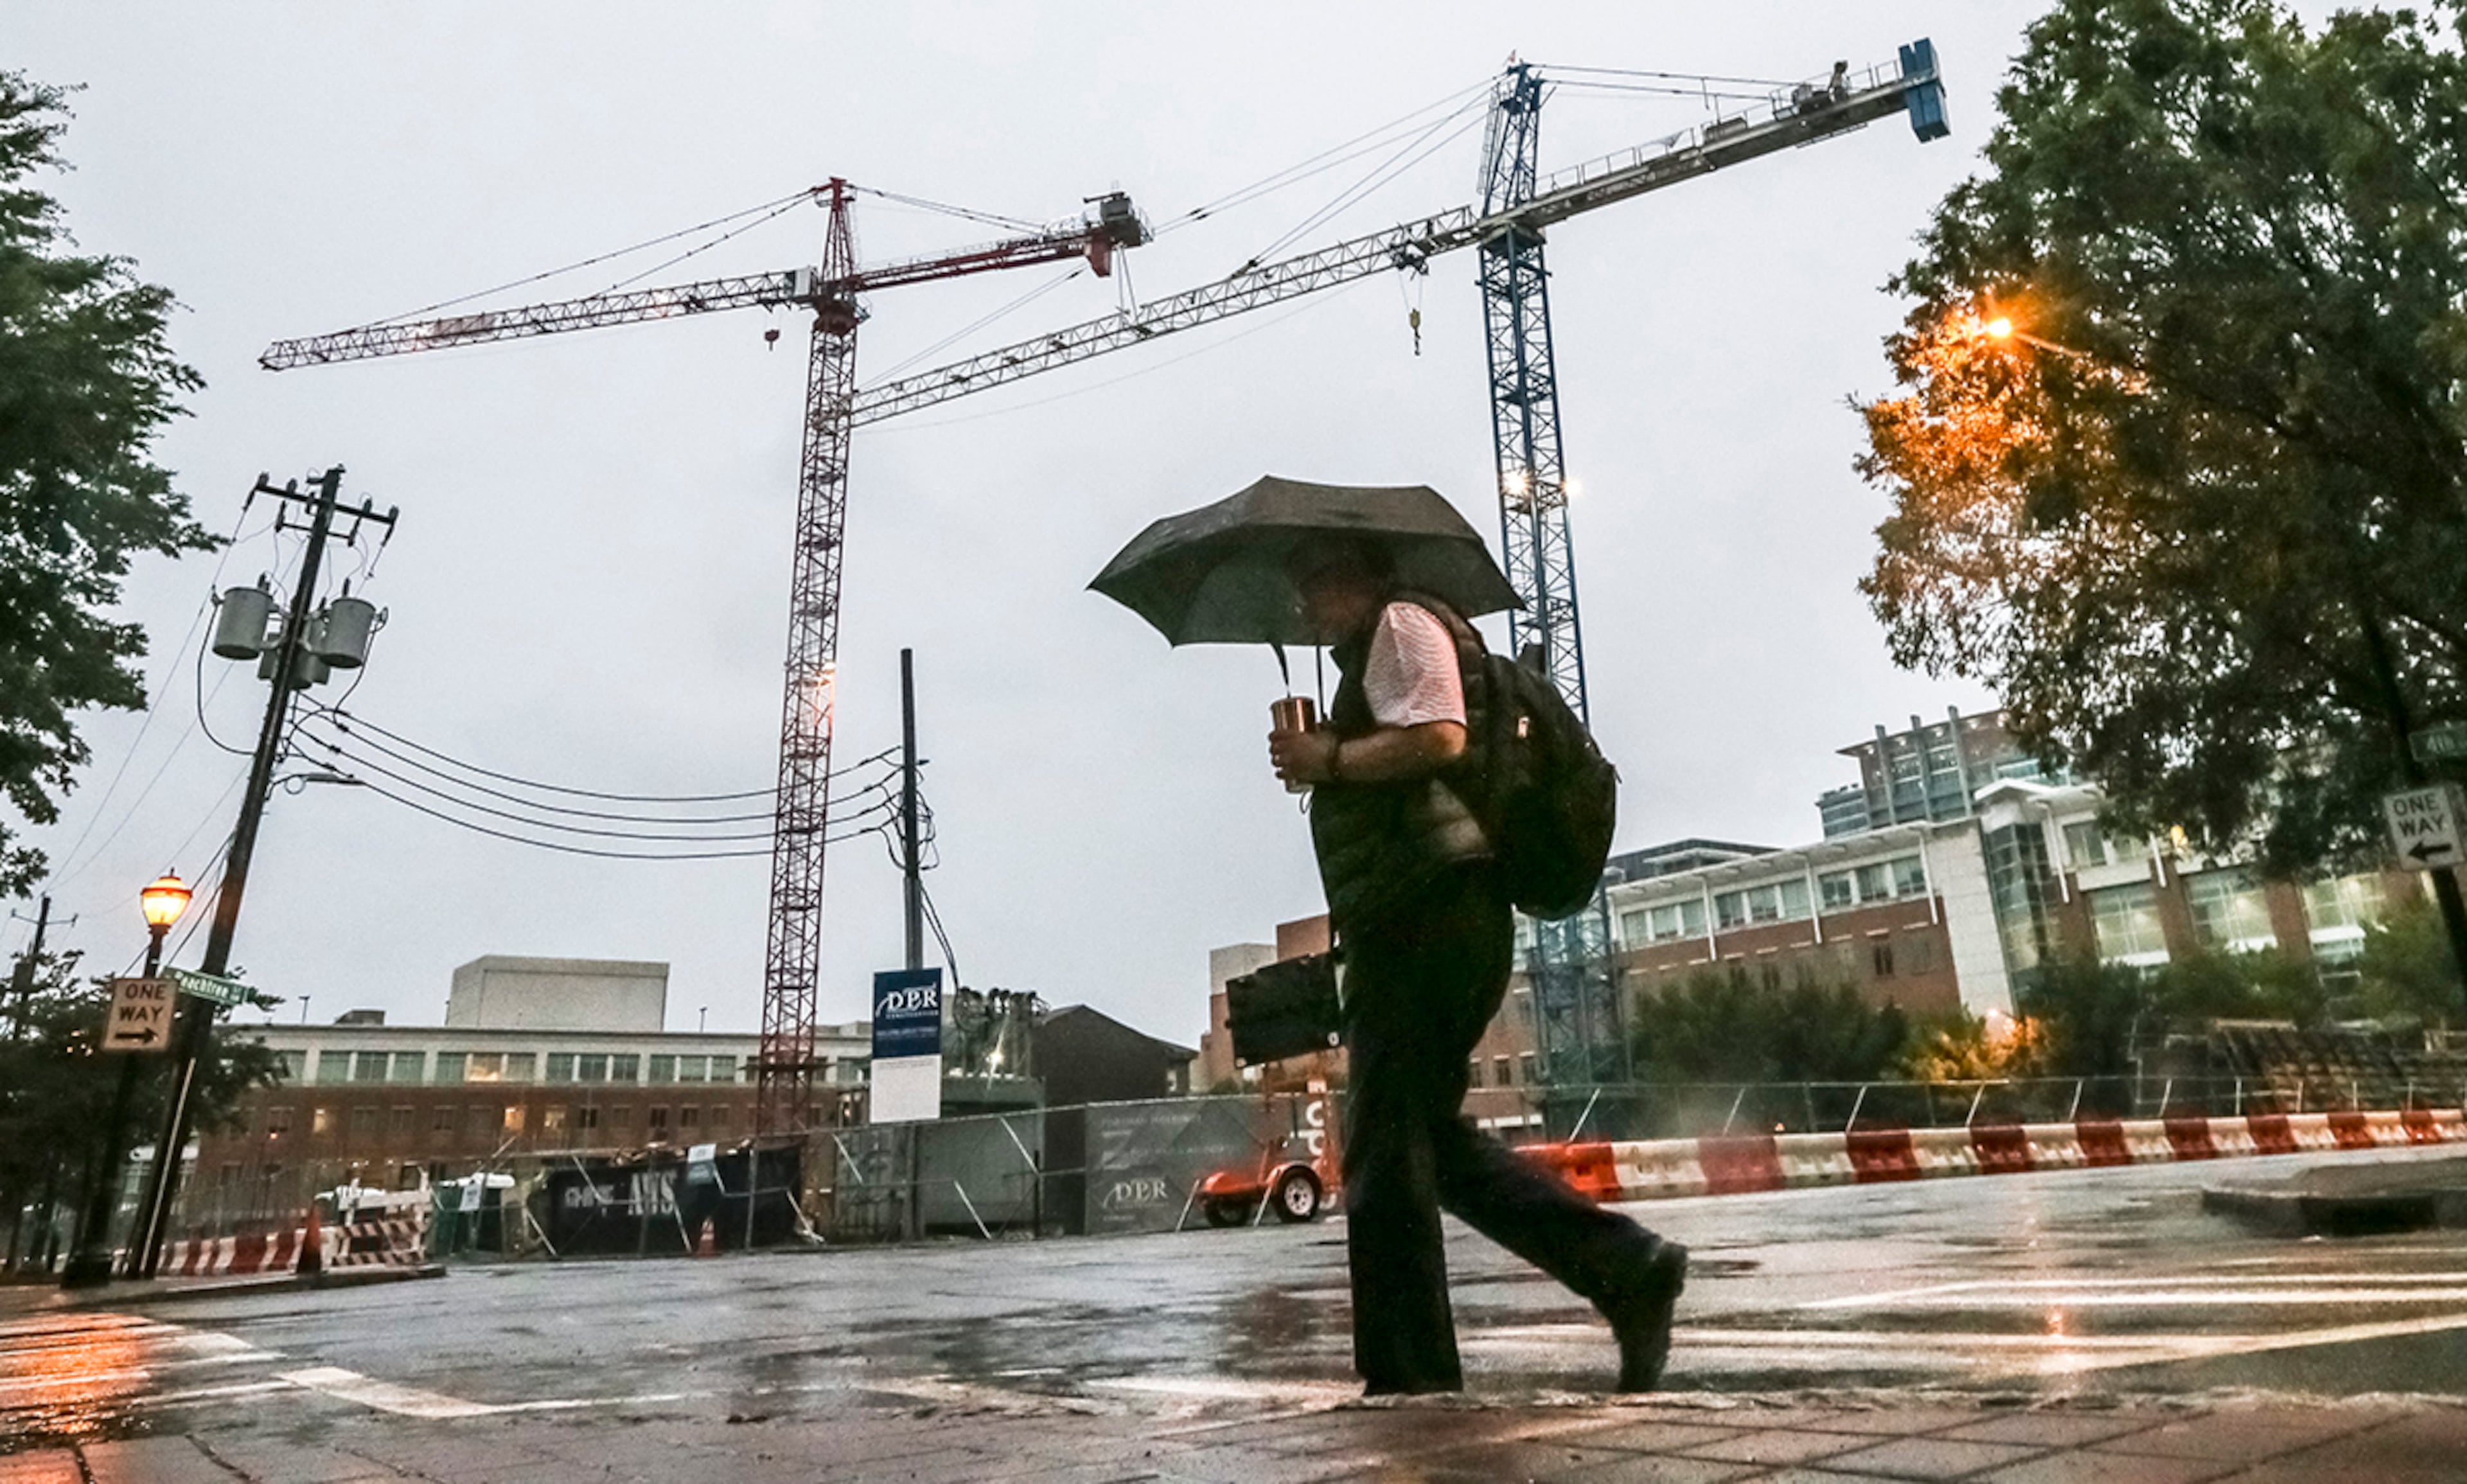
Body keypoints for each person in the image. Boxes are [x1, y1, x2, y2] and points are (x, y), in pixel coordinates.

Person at [1266, 536, 1687, 1396]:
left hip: (1431, 915)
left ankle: (1410, 1378)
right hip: (1423, 917)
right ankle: (1625, 1269)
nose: (1304, 600)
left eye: (1316, 577)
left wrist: (1334, 759)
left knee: (1386, 1153)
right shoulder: (1372, 652)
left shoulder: (1404, 625)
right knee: (1423, 1143)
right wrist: (1323, 762)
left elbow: (1442, 738)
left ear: (1368, 573)